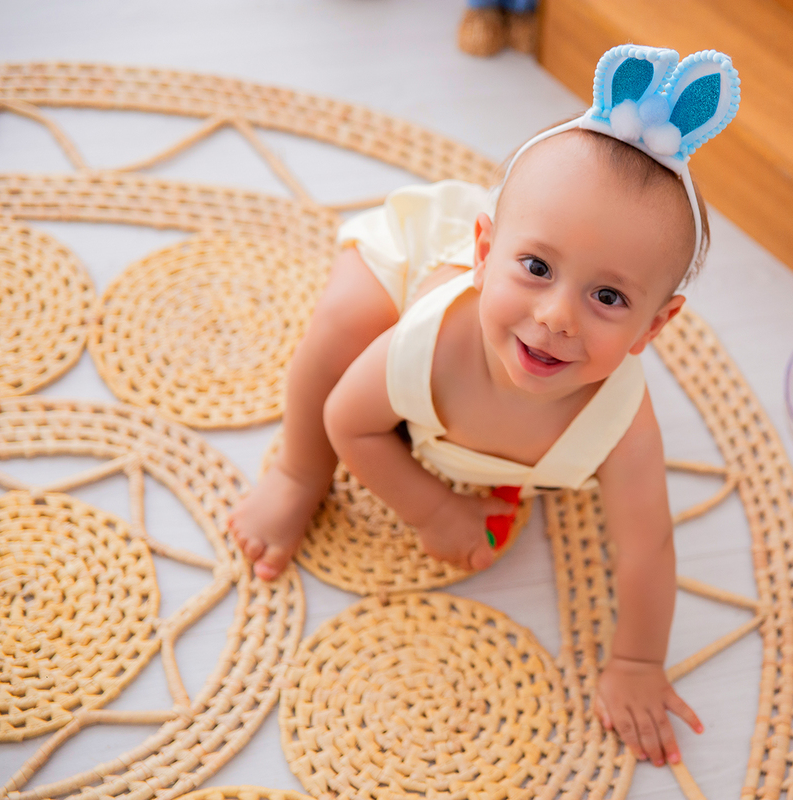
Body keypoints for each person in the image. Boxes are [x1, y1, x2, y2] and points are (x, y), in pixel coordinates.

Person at [230, 44, 740, 768]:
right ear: (484, 251)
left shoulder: (621, 426)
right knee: (340, 324)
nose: (558, 316)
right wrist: (433, 509)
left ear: (654, 326)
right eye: (535, 269)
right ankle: (294, 477)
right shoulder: (431, 341)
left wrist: (636, 662)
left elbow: (647, 545)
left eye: (609, 297)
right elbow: (350, 420)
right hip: (412, 256)